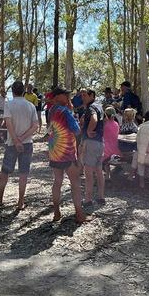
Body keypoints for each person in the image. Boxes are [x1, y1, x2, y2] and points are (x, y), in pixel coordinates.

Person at [0, 81, 39, 210]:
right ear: (23, 91)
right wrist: (22, 139)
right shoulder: (31, 106)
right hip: (27, 143)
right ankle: (20, 202)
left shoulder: (8, 104)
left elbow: (8, 124)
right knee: (23, 173)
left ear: (13, 91)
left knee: (5, 171)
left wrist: (16, 140)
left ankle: (0, 198)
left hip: (11, 143)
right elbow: (35, 126)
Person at [48, 86, 90, 224]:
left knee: (57, 181)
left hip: (55, 151)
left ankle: (56, 212)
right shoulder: (65, 111)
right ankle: (79, 214)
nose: (68, 98)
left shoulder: (51, 110)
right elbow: (76, 130)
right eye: (65, 95)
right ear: (57, 97)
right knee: (75, 183)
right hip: (68, 152)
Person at [80, 89, 106, 207]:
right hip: (100, 142)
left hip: (91, 143)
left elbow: (94, 118)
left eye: (85, 95)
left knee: (89, 172)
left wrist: (89, 130)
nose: (83, 97)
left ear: (92, 95)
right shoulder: (99, 107)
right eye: (82, 95)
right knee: (99, 171)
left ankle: (88, 199)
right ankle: (101, 197)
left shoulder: (91, 108)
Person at [102, 106, 120, 181]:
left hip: (106, 149)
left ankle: (106, 175)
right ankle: (108, 175)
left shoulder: (105, 125)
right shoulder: (116, 124)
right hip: (115, 148)